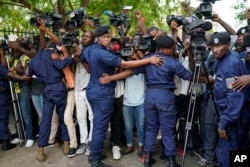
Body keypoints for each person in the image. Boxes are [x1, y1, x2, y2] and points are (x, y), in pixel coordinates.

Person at [99, 36, 193, 167]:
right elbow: (189, 76)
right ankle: (171, 161)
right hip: (165, 96)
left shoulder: (147, 61)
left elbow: (130, 71)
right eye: (171, 48)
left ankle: (148, 159)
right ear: (165, 49)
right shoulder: (172, 62)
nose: (173, 50)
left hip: (150, 96)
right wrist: (207, 79)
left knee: (151, 128)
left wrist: (112, 77)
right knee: (167, 129)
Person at [80, 25, 163, 167]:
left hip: (92, 88)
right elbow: (124, 64)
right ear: (98, 39)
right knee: (100, 127)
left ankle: (96, 152)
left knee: (97, 125)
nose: (107, 39)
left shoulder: (89, 49)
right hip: (102, 91)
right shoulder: (102, 53)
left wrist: (94, 70)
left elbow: (82, 59)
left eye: (108, 37)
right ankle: (95, 160)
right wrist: (148, 60)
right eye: (104, 37)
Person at [29, 18, 75, 162]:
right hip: (59, 89)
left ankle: (41, 149)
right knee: (63, 117)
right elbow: (62, 65)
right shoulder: (51, 54)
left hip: (47, 90)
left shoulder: (33, 61)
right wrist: (70, 57)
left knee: (46, 120)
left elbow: (28, 74)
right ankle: (67, 143)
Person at [208, 32, 250, 167]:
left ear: (228, 45)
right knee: (239, 152)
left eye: (218, 46)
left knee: (225, 153)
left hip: (233, 116)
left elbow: (235, 99)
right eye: (212, 46)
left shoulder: (230, 65)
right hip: (237, 113)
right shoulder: (227, 58)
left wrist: (223, 124)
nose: (214, 50)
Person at [0, 48, 30, 151]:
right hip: (7, 93)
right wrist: (21, 78)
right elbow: (7, 72)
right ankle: (10, 140)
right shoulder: (5, 62)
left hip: (16, 90)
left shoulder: (23, 58)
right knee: (7, 118)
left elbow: (5, 69)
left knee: (23, 114)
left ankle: (27, 136)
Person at [75, 31, 95, 156]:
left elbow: (89, 69)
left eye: (88, 37)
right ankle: (84, 142)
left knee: (92, 118)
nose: (85, 38)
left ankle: (92, 142)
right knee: (81, 118)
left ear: (93, 40)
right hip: (78, 88)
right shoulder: (77, 49)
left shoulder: (93, 51)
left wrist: (81, 56)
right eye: (84, 36)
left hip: (90, 88)